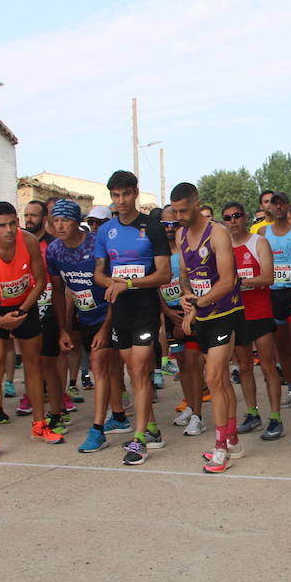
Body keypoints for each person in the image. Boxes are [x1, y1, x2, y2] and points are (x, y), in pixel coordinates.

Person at [0, 201, 58, 459]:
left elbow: (40, 281)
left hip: (23, 306)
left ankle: (39, 424)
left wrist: (22, 312)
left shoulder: (27, 241)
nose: (8, 230)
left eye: (12, 223)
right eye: (2, 225)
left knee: (33, 364)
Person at [94, 170, 172, 465]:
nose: (121, 200)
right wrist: (111, 284)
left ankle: (139, 440)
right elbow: (99, 273)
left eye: (126, 194)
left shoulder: (151, 227)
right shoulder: (105, 231)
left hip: (145, 308)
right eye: (116, 195)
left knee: (140, 371)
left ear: (135, 193)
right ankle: (151, 429)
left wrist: (128, 284)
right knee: (132, 371)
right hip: (120, 311)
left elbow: (164, 274)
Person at [173, 181, 243, 473]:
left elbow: (228, 281)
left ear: (197, 203)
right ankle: (233, 439)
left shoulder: (218, 233)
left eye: (184, 210)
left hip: (225, 312)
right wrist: (186, 298)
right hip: (202, 313)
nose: (180, 216)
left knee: (213, 378)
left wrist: (198, 304)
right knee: (222, 381)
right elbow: (186, 275)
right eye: (175, 211)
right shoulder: (180, 234)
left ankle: (219, 448)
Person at [48, 199, 126, 454]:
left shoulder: (95, 245)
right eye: (55, 220)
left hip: (110, 313)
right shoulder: (54, 250)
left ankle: (97, 430)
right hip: (86, 317)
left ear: (77, 222)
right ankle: (119, 416)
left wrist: (107, 327)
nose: (59, 226)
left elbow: (114, 285)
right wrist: (62, 328)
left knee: (99, 366)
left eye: (65, 221)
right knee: (110, 368)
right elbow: (58, 291)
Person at [223, 201, 285, 440]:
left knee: (269, 366)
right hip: (236, 314)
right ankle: (252, 413)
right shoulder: (224, 246)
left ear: (245, 217)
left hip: (260, 312)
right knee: (245, 367)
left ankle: (276, 417)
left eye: (237, 216)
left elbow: (268, 277)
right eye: (227, 218)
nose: (233, 221)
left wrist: (239, 281)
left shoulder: (258, 242)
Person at [257, 191, 291, 412]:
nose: (277, 207)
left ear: (288, 206)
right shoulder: (262, 232)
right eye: (273, 204)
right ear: (268, 207)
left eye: (281, 204)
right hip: (273, 295)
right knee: (282, 347)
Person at [159, 205, 206, 437]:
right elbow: (156, 287)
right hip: (170, 314)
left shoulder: (186, 249)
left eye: (174, 224)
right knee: (182, 364)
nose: (169, 228)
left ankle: (198, 414)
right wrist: (167, 312)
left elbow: (193, 282)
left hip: (191, 312)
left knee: (193, 361)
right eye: (165, 225)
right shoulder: (157, 253)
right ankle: (189, 406)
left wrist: (187, 313)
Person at [22, 199, 68, 434]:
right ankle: (38, 409)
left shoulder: (54, 245)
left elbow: (61, 284)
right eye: (26, 215)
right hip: (28, 308)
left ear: (44, 218)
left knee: (49, 363)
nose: (29, 219)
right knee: (34, 363)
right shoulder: (21, 242)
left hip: (49, 307)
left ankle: (58, 413)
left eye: (34, 215)